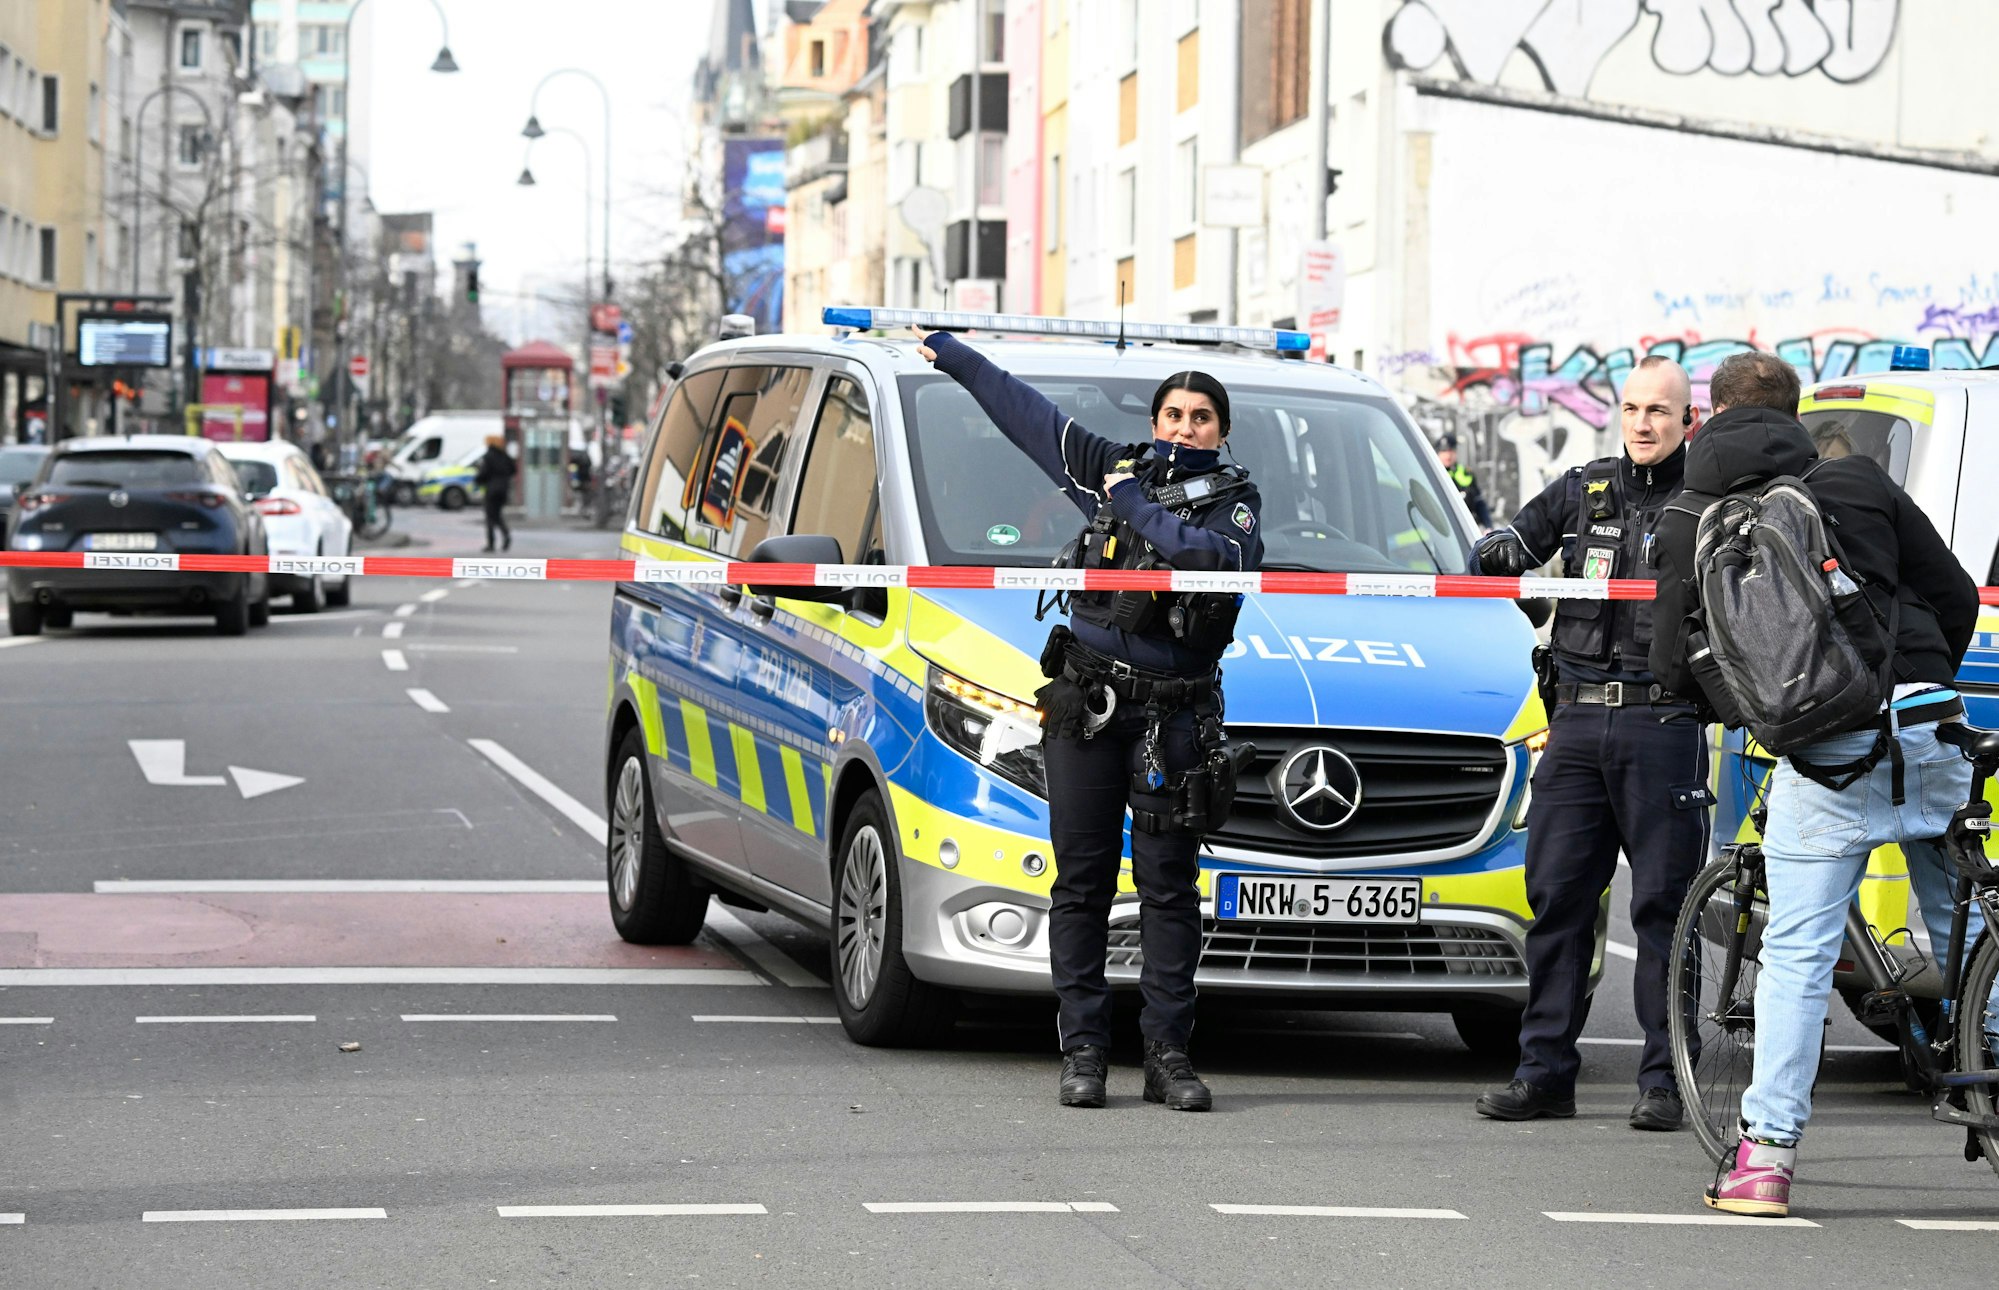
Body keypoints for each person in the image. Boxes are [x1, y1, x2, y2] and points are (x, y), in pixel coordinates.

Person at [1648, 351, 1983, 1217]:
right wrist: (1912, 679)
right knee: (1963, 918)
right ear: (1794, 419)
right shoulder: (1859, 482)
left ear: (1707, 418)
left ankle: (1763, 1159)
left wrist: (1767, 710)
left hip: (1825, 751)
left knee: (1795, 952)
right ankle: (1982, 1059)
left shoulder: (1692, 514)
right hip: (1925, 720)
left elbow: (1673, 661)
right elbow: (1950, 592)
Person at [914, 327, 1263, 1112]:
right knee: (1082, 882)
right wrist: (955, 354)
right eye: (1171, 414)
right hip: (1089, 706)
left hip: (1175, 717)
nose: (1184, 426)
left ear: (1221, 430)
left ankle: (1168, 1057)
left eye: (1200, 416)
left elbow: (1202, 561)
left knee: (1169, 887)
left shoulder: (1236, 502)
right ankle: (1084, 1053)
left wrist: (1130, 500)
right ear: (1153, 422)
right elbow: (1026, 416)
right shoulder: (1109, 466)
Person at [1468, 355, 1708, 1131]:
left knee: (1663, 909)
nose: (1643, 424)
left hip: (1661, 720)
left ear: (1686, 422)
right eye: (1632, 409)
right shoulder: (1583, 488)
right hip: (1573, 720)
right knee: (1559, 900)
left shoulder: (1706, 503)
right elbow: (1500, 542)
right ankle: (1543, 1074)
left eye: (1659, 412)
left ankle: (1664, 1079)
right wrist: (1501, 554)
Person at [1437, 433, 1493, 527]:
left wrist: (1488, 526)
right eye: (1444, 451)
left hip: (1465, 528)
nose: (1448, 455)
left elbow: (1478, 502)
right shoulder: (1433, 475)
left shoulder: (1465, 473)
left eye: (1451, 450)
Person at [473, 434, 516, 553]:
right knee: (497, 515)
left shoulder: (488, 456)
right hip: (503, 490)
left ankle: (491, 544)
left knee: (490, 517)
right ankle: (506, 535)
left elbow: (484, 473)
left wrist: (478, 480)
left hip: (492, 490)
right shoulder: (505, 456)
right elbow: (513, 470)